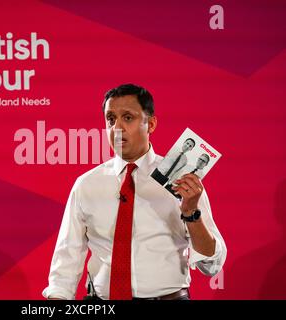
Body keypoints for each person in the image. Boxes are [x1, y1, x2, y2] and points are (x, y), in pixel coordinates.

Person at [42, 84, 226, 300]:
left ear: (151, 124)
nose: (116, 127)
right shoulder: (86, 185)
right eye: (111, 119)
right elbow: (66, 261)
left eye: (127, 118)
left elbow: (211, 264)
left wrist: (191, 213)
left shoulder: (184, 184)